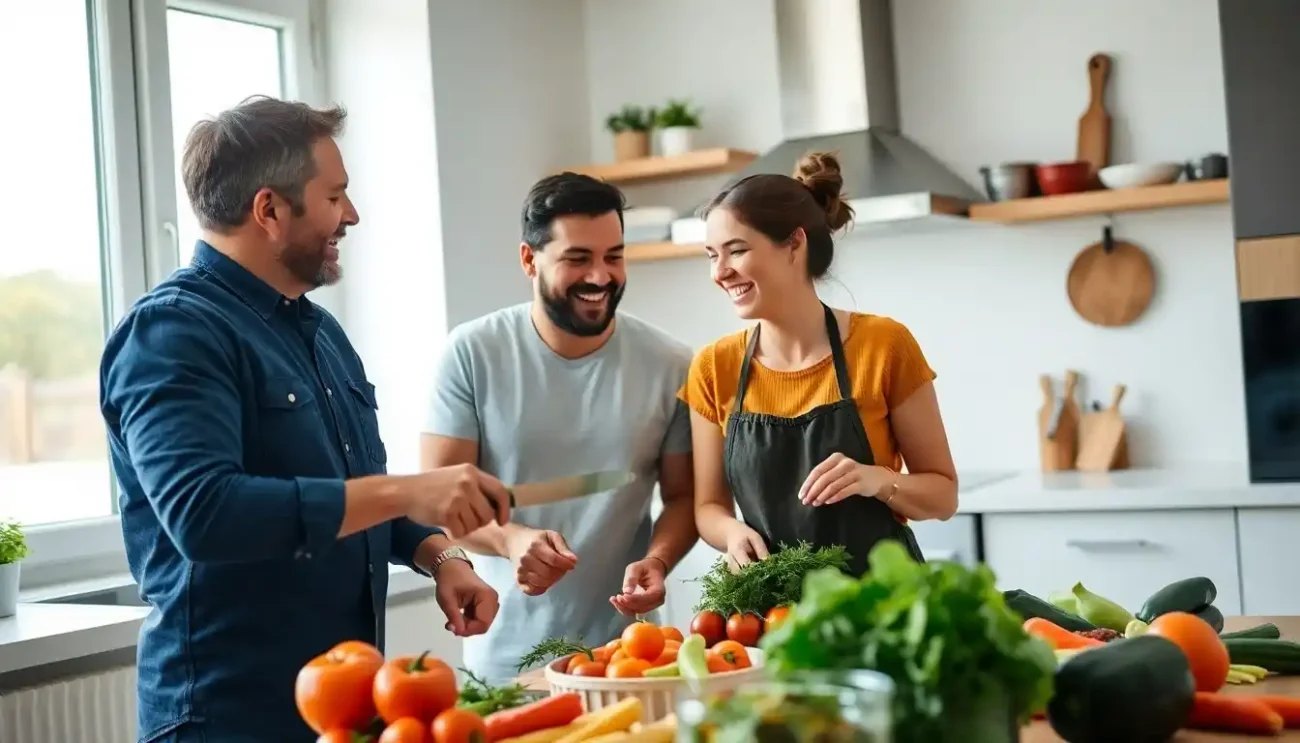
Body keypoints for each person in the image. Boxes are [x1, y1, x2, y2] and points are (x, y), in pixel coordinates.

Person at [99, 96, 508, 743]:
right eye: (334, 196)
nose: (352, 214)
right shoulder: (173, 331)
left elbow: (352, 493)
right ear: (269, 209)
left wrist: (441, 555)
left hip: (340, 710)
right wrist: (409, 490)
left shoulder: (321, 333)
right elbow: (205, 514)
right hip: (226, 717)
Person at [421, 172, 698, 684]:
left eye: (613, 256)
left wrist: (657, 561)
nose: (600, 276)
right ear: (529, 259)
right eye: (577, 258)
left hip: (629, 656)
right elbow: (440, 499)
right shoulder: (473, 353)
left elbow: (684, 498)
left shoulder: (672, 364)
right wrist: (511, 540)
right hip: (505, 665)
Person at [679, 152, 959, 578]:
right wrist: (732, 533)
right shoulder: (713, 366)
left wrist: (877, 480)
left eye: (736, 251)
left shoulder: (884, 346)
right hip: (772, 614)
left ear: (794, 243)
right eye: (711, 255)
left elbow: (943, 496)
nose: (720, 272)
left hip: (885, 606)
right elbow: (709, 508)